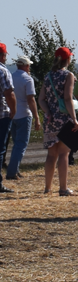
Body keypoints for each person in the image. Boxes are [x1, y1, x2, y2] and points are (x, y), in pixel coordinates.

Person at [38, 46, 78, 196]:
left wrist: (48, 112)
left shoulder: (48, 76)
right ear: (68, 59)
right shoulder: (68, 75)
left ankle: (47, 188)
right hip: (64, 118)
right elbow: (68, 98)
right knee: (64, 154)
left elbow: (41, 99)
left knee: (51, 154)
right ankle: (63, 188)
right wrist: (74, 119)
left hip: (50, 120)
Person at [6, 55, 41, 181]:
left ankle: (15, 169)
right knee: (21, 145)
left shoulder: (10, 76)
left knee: (16, 144)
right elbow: (31, 99)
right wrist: (37, 117)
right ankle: (12, 172)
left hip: (12, 114)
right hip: (24, 114)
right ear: (26, 66)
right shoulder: (27, 79)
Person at [0, 43, 14, 193]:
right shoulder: (2, 71)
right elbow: (9, 93)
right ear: (2, 56)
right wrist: (13, 110)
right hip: (2, 115)